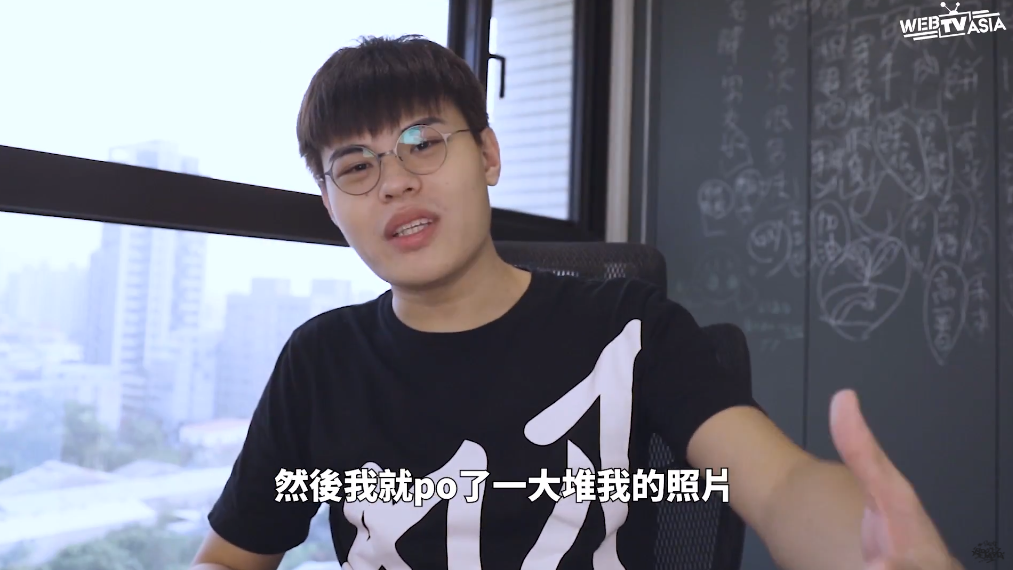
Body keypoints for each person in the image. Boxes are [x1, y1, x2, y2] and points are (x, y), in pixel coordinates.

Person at [190, 35, 961, 570]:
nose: (394, 181)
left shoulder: (629, 327)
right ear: (330, 205)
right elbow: (230, 555)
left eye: (423, 142)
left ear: (487, 155)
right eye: (355, 166)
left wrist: (860, 543)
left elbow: (780, 483)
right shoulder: (319, 360)